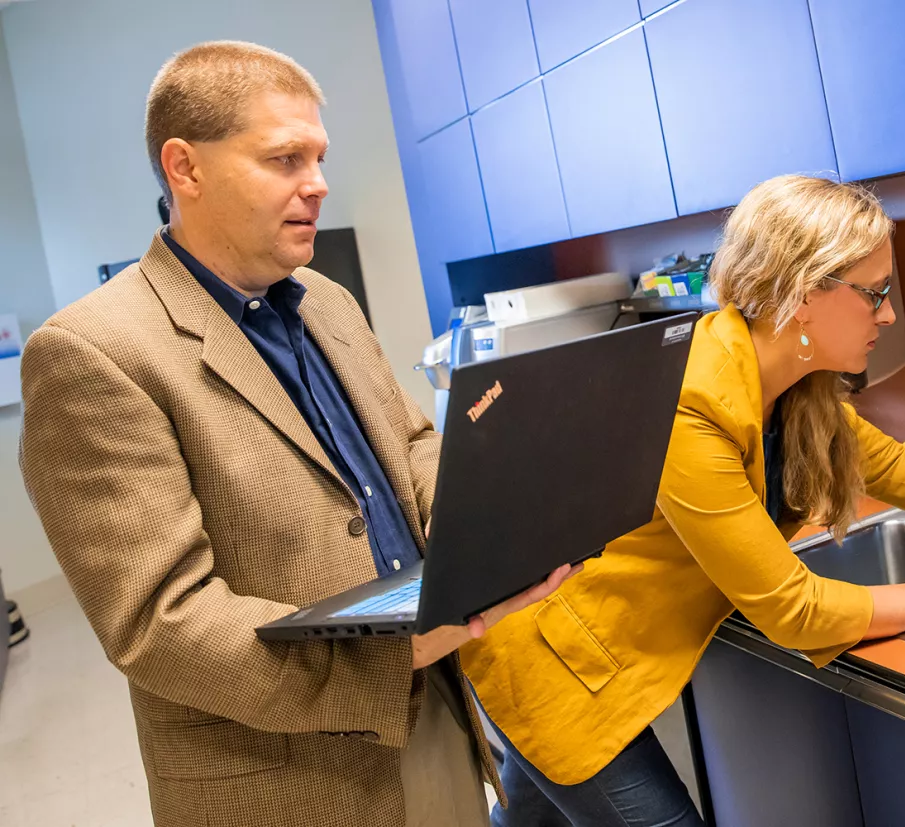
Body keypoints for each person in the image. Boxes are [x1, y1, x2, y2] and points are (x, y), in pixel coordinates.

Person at [461, 175, 905, 827]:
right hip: (565, 669)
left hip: (607, 656)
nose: (889, 314)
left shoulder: (794, 380)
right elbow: (794, 610)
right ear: (805, 292)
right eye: (874, 291)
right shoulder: (689, 400)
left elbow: (895, 466)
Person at [19, 41, 572, 827]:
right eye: (284, 159)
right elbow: (160, 621)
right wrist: (396, 655)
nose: (316, 184)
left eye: (319, 157)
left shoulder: (325, 300)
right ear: (185, 168)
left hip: (434, 720)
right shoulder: (94, 352)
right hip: (287, 778)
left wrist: (495, 522)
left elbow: (408, 447)